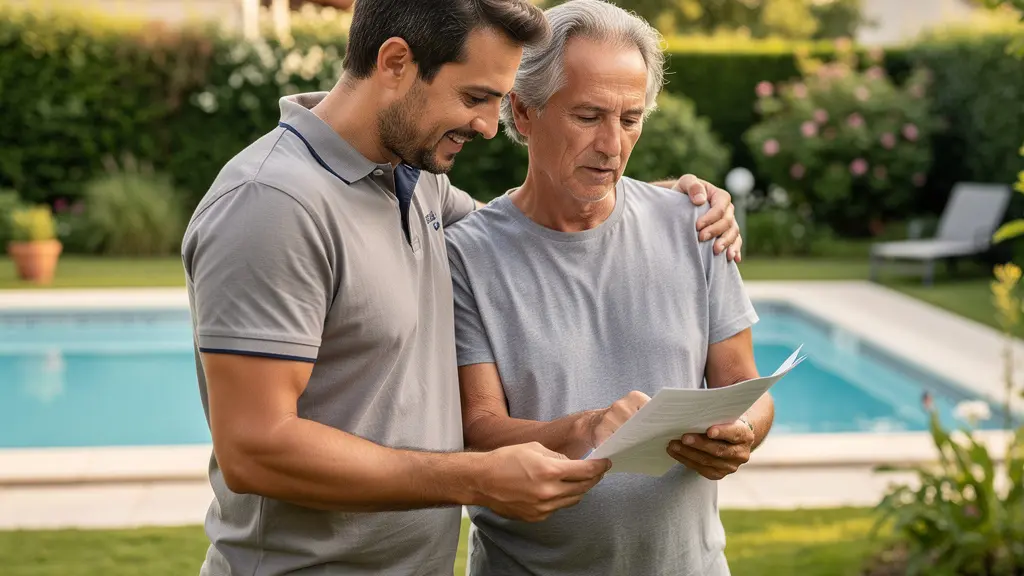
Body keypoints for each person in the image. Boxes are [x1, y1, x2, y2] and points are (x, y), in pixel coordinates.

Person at [182, 0, 742, 574]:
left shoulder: (411, 180)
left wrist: (665, 204)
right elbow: (254, 448)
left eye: (497, 101)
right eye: (475, 97)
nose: (485, 124)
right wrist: (473, 476)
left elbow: (530, 226)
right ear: (396, 62)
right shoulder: (272, 204)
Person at [445, 1, 775, 575]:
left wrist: (742, 431)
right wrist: (586, 428)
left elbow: (745, 382)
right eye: (588, 116)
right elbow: (480, 430)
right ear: (523, 113)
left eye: (629, 119)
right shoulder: (467, 255)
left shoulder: (696, 223)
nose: (612, 145)